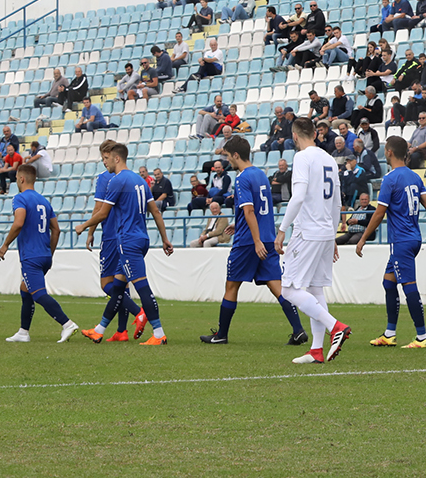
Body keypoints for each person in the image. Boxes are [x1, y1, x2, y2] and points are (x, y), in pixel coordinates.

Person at [199, 137, 309, 347]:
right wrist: (238, 225)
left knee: (232, 285)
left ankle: (221, 334)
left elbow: (249, 210)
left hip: (249, 242)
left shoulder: (242, 178)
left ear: (236, 155)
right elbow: (258, 210)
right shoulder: (261, 175)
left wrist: (254, 239)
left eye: (229, 156)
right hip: (266, 238)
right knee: (278, 287)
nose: (228, 160)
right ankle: (298, 330)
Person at [74, 141, 174, 345]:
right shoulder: (140, 181)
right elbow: (155, 211)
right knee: (118, 287)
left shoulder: (117, 181)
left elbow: (102, 212)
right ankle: (100, 329)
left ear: (116, 158)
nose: (105, 163)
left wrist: (83, 226)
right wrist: (164, 239)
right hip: (141, 237)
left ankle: (158, 333)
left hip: (127, 240)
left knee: (142, 287)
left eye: (107, 158)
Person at [274, 118, 355, 365]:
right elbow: (336, 203)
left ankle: (335, 326)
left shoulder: (302, 158)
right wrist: (332, 237)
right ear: (316, 134)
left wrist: (282, 229)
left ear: (295, 136)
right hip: (324, 232)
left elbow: (297, 197)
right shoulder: (329, 159)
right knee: (315, 288)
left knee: (288, 289)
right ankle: (316, 350)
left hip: (307, 230)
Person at [355, 135, 426, 348]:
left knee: (409, 285)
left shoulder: (390, 179)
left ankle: (421, 336)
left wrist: (363, 238)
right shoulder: (414, 177)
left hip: (401, 240)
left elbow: (378, 213)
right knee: (389, 282)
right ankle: (389, 333)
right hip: (413, 237)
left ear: (389, 152)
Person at [0, 163, 77, 343]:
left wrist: (5, 245)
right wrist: (50, 252)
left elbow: (18, 223)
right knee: (25, 289)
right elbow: (56, 229)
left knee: (38, 294)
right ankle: (23, 332)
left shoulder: (20, 198)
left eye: (17, 178)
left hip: (31, 256)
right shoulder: (44, 201)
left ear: (22, 179)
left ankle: (67, 324)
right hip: (44, 255)